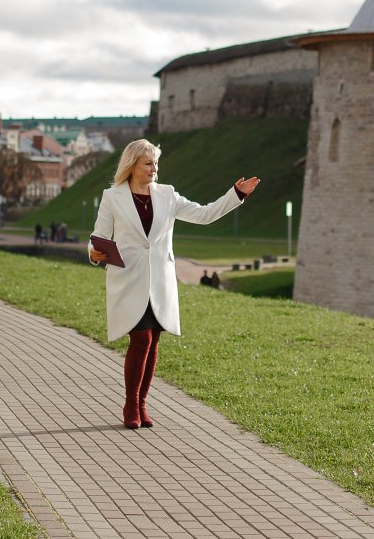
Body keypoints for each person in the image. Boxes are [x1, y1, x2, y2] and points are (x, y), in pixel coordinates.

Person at [88, 139, 258, 429]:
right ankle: (130, 404)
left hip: (160, 281)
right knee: (140, 339)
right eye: (148, 163)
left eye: (156, 163)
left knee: (153, 343)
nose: (155, 168)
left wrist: (236, 195)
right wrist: (92, 252)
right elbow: (98, 235)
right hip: (129, 279)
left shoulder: (167, 195)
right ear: (132, 165)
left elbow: (204, 215)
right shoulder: (112, 196)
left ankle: (143, 404)